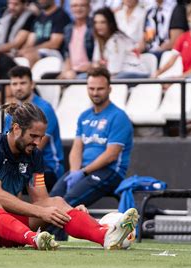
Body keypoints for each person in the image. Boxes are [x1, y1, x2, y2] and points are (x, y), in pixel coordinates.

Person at [0, 101, 139, 250]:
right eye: (33, 136)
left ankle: (106, 235)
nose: (38, 142)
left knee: (56, 202)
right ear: (16, 129)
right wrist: (42, 212)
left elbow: (42, 200)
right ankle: (35, 239)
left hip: (6, 230)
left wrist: (69, 211)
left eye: (40, 137)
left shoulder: (34, 156)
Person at [50, 67, 133, 209]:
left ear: (109, 89)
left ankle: (53, 232)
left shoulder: (119, 117)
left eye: (100, 89)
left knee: (67, 202)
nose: (95, 93)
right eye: (91, 88)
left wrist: (83, 172)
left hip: (110, 171)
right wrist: (75, 171)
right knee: (52, 199)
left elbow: (111, 155)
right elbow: (77, 148)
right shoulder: (84, 116)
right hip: (83, 170)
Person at [5, 66, 64, 190]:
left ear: (32, 85)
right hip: (21, 163)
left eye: (23, 83)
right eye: (14, 84)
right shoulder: (12, 111)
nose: (18, 87)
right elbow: (6, 143)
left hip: (47, 168)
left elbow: (35, 147)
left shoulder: (44, 109)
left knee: (10, 177)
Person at [152, 0, 191, 78]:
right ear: (189, 17)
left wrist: (183, 76)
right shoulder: (183, 37)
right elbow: (172, 60)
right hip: (185, 77)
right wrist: (158, 72)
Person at [92, 7, 149, 78]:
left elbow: (114, 70)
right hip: (118, 74)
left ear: (110, 23)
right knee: (82, 78)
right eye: (96, 22)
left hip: (134, 72)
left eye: (103, 22)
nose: (98, 26)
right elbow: (95, 63)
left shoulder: (117, 39)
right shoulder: (99, 39)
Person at [18, 0, 71, 66]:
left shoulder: (61, 15)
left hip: (55, 53)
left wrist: (32, 50)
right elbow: (30, 42)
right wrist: (23, 50)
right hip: (37, 50)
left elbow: (55, 44)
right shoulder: (39, 18)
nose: (41, 1)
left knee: (30, 56)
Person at [58, 0, 94, 79]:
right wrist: (66, 72)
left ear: (89, 8)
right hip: (72, 71)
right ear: (70, 9)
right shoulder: (68, 29)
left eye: (82, 5)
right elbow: (67, 54)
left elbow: (97, 58)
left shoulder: (94, 27)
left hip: (90, 71)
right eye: (75, 6)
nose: (78, 9)